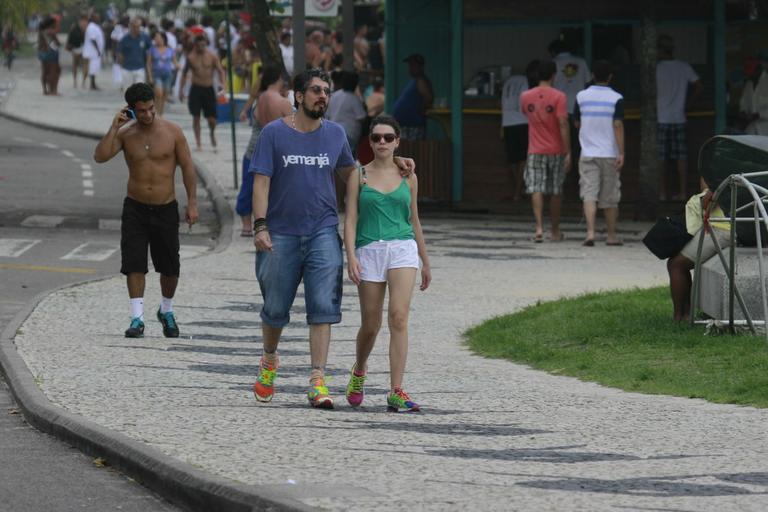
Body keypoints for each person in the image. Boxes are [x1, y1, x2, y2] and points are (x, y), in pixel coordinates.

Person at [248, 68, 414, 409]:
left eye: (326, 91)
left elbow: (354, 173)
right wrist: (260, 226)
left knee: (323, 308)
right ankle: (269, 360)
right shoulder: (273, 134)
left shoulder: (335, 134)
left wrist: (393, 161)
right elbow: (261, 182)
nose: (323, 96)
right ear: (298, 96)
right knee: (275, 308)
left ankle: (317, 380)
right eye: (315, 90)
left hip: (323, 230)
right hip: (280, 232)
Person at [93, 82, 198, 338]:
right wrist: (114, 126)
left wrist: (192, 203)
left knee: (170, 267)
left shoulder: (173, 132)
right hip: (136, 208)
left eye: (151, 109)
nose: (148, 115)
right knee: (134, 263)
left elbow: (187, 168)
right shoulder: (126, 133)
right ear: (131, 110)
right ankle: (137, 318)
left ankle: (166, 310)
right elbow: (100, 156)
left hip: (165, 207)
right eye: (141, 111)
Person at [343, 115, 431, 413]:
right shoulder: (359, 175)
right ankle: (359, 369)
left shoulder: (408, 175)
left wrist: (425, 261)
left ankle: (396, 390)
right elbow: (351, 218)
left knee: (398, 317)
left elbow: (415, 220)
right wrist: (350, 255)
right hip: (369, 249)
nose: (382, 142)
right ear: (369, 141)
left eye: (388, 137)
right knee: (371, 324)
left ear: (397, 141)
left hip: (402, 248)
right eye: (377, 137)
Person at [573, 60, 625, 246]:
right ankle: (611, 236)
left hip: (587, 152)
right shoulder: (616, 98)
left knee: (589, 193)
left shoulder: (581, 97)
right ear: (610, 76)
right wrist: (621, 152)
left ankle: (590, 233)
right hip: (609, 153)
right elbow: (617, 125)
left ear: (593, 76)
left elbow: (577, 123)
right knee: (610, 196)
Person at [236, 67, 292, 236]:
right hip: (275, 153)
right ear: (279, 80)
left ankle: (246, 225)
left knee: (248, 187)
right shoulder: (283, 103)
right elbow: (293, 129)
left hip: (253, 149)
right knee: (271, 190)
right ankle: (268, 224)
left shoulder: (260, 98)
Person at [520, 59, 571, 242]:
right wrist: (567, 151)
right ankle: (555, 230)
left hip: (534, 149)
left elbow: (526, 113)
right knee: (556, 190)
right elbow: (563, 123)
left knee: (536, 188)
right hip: (556, 149)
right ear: (553, 75)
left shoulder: (525, 96)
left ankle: (539, 227)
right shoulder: (559, 96)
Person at [667, 188, 731, 322]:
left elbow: (707, 202)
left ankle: (680, 316)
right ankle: (685, 314)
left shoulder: (727, 172)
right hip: (743, 226)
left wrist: (706, 193)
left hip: (724, 228)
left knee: (676, 265)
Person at [656, 34, 702, 201]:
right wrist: (687, 105)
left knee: (661, 158)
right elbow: (698, 86)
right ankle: (682, 192)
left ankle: (662, 192)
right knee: (681, 157)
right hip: (679, 117)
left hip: (661, 118)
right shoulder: (684, 67)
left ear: (660, 50)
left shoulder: (657, 68)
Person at [179, 34, 226, 151]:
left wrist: (223, 85)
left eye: (203, 45)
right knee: (196, 116)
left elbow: (220, 71)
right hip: (196, 89)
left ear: (206, 44)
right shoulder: (191, 58)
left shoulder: (212, 56)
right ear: (195, 45)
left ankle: (212, 132)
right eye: (199, 45)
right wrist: (181, 90)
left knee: (212, 119)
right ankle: (198, 142)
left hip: (209, 89)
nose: (201, 47)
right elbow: (184, 74)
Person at [501, 60, 538, 202]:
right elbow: (527, 104)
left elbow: (501, 102)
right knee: (523, 159)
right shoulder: (527, 83)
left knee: (512, 159)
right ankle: (518, 191)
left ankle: (517, 190)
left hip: (507, 122)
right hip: (523, 122)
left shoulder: (509, 80)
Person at [392, 53, 433, 140]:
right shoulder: (414, 80)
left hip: (414, 126)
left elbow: (428, 97)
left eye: (414, 65)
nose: (411, 68)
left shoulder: (421, 80)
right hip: (406, 126)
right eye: (410, 65)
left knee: (412, 152)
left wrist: (420, 111)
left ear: (421, 66)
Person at [326, 71, 367, 156]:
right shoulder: (354, 99)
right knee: (347, 159)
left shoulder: (334, 95)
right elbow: (362, 117)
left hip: (332, 132)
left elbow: (328, 115)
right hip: (349, 134)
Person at [147, 32, 178, 116]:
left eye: (157, 38)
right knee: (158, 93)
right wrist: (150, 76)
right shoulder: (152, 49)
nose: (156, 40)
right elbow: (149, 63)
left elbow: (174, 62)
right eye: (155, 38)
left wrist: (179, 66)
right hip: (156, 74)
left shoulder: (170, 49)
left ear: (163, 39)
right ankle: (156, 112)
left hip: (168, 75)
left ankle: (161, 113)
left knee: (164, 95)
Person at [118, 18, 151, 90]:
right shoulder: (124, 39)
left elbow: (150, 50)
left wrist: (148, 65)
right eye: (134, 26)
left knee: (139, 92)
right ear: (130, 27)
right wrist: (122, 65)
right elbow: (120, 54)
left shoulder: (144, 37)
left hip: (140, 68)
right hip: (127, 68)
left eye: (138, 26)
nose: (137, 29)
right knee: (127, 92)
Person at [37, 17, 61, 96]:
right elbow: (57, 43)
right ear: (51, 24)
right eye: (55, 23)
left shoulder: (41, 31)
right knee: (53, 72)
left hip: (42, 53)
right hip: (51, 53)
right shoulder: (51, 31)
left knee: (44, 71)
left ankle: (45, 90)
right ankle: (53, 91)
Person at [83, 13, 105, 91]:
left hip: (95, 52)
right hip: (93, 52)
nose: (98, 19)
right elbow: (93, 39)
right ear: (93, 18)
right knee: (92, 68)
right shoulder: (91, 27)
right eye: (97, 17)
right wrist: (98, 49)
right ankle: (92, 84)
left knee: (95, 68)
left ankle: (93, 84)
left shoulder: (95, 26)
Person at [65, 16, 87, 88]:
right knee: (75, 65)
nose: (83, 23)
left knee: (84, 65)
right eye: (82, 21)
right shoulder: (74, 28)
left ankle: (83, 82)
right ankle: (75, 81)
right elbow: (70, 37)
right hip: (76, 48)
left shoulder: (87, 28)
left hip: (84, 48)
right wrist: (68, 45)